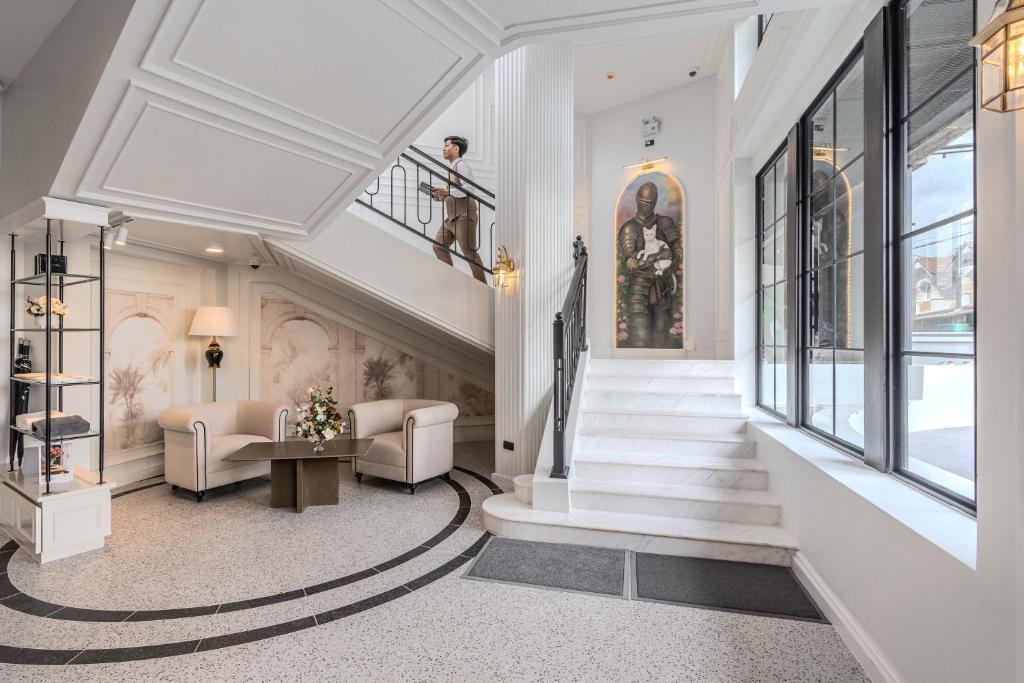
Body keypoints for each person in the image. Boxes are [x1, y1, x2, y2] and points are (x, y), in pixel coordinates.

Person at [617, 181, 682, 348]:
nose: (646, 206)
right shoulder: (629, 229)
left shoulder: (665, 223)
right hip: (639, 290)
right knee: (640, 339)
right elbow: (632, 264)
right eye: (643, 202)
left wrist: (669, 263)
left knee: (662, 339)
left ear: (655, 202)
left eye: (649, 203)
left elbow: (677, 253)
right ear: (637, 200)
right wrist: (659, 255)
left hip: (662, 286)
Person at [431, 136, 487, 283]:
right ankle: (451, 281)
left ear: (456, 148)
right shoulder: (452, 168)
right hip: (451, 217)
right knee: (438, 246)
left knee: (469, 252)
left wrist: (447, 192)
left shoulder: (462, 165)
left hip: (464, 215)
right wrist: (441, 196)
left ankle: (482, 287)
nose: (443, 148)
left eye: (447, 145)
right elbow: (454, 192)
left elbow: (469, 189)